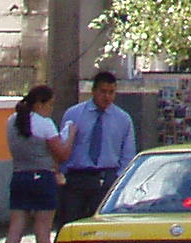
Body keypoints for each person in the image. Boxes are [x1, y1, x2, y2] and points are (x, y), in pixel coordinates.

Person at [0, 85, 69, 243]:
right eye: (50, 105)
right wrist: (71, 135)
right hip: (43, 179)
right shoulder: (45, 124)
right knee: (42, 233)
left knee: (14, 231)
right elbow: (62, 154)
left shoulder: (12, 121)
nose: (51, 109)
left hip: (19, 176)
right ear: (40, 104)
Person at [57, 70, 138, 227]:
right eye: (103, 92)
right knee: (71, 225)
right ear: (94, 91)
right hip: (77, 177)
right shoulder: (74, 114)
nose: (107, 97)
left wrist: (118, 180)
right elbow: (64, 145)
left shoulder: (123, 119)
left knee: (102, 226)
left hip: (107, 177)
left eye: (111, 92)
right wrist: (64, 174)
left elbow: (128, 154)